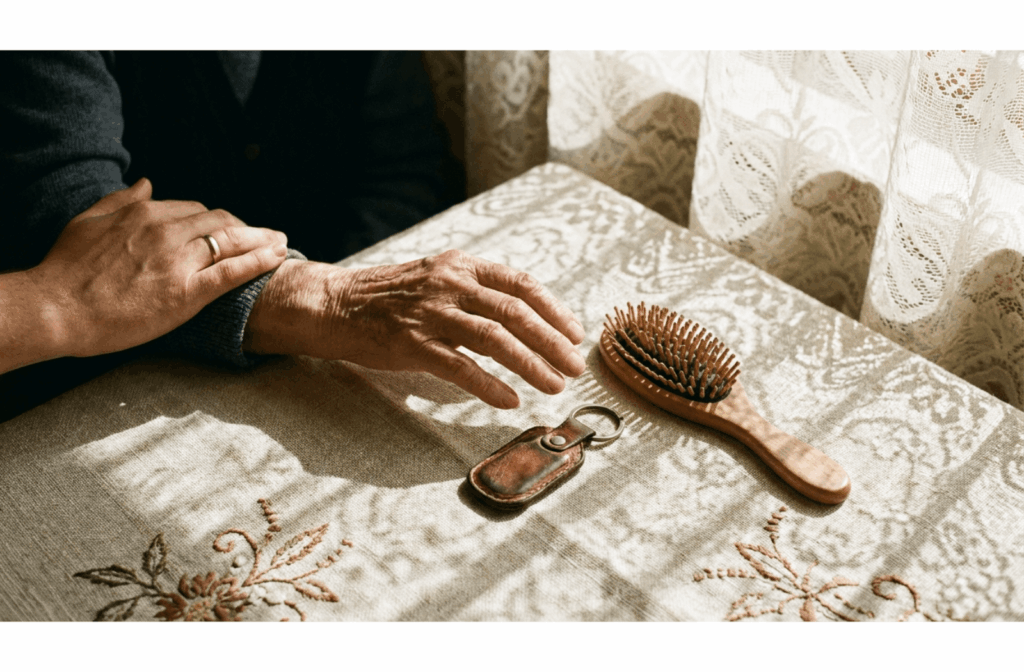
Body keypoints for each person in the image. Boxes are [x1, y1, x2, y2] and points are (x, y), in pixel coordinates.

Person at [0, 51, 586, 420]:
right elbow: (83, 230)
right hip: (110, 382)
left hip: (302, 357)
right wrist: (323, 299)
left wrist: (355, 289)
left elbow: (402, 171)